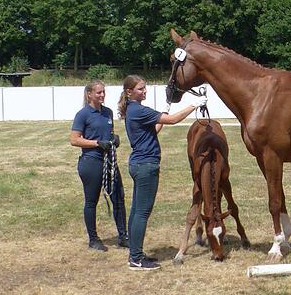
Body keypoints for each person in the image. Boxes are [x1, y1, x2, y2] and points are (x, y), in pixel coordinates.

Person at [118, 74, 207, 271]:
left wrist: (166, 109)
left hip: (138, 164)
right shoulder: (139, 110)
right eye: (140, 88)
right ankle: (136, 259)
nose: (144, 91)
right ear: (129, 91)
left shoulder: (133, 110)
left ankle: (135, 253)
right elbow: (173, 120)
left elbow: (154, 130)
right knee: (142, 212)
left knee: (135, 211)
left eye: (145, 87)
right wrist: (195, 104)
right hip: (146, 165)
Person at [69, 80, 127, 251]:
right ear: (89, 94)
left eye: (103, 92)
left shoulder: (108, 113)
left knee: (118, 197)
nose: (102, 95)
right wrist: (96, 143)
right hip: (91, 162)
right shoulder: (83, 115)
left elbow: (107, 133)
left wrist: (114, 139)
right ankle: (93, 239)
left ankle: (123, 236)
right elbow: (74, 140)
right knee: (91, 201)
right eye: (98, 92)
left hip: (109, 161)